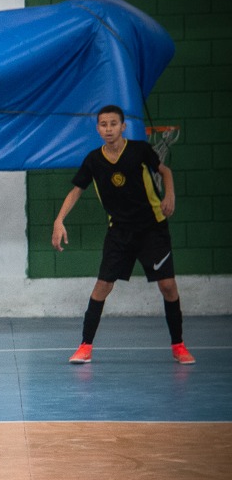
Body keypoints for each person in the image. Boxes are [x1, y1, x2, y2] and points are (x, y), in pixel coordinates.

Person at [51, 105, 194, 365]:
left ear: (123, 126)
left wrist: (170, 194)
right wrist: (59, 220)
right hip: (119, 231)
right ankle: (85, 347)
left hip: (152, 228)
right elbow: (76, 191)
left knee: (168, 286)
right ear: (98, 129)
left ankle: (179, 345)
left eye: (113, 124)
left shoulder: (139, 150)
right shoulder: (93, 160)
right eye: (103, 124)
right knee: (102, 286)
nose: (108, 129)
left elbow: (165, 171)